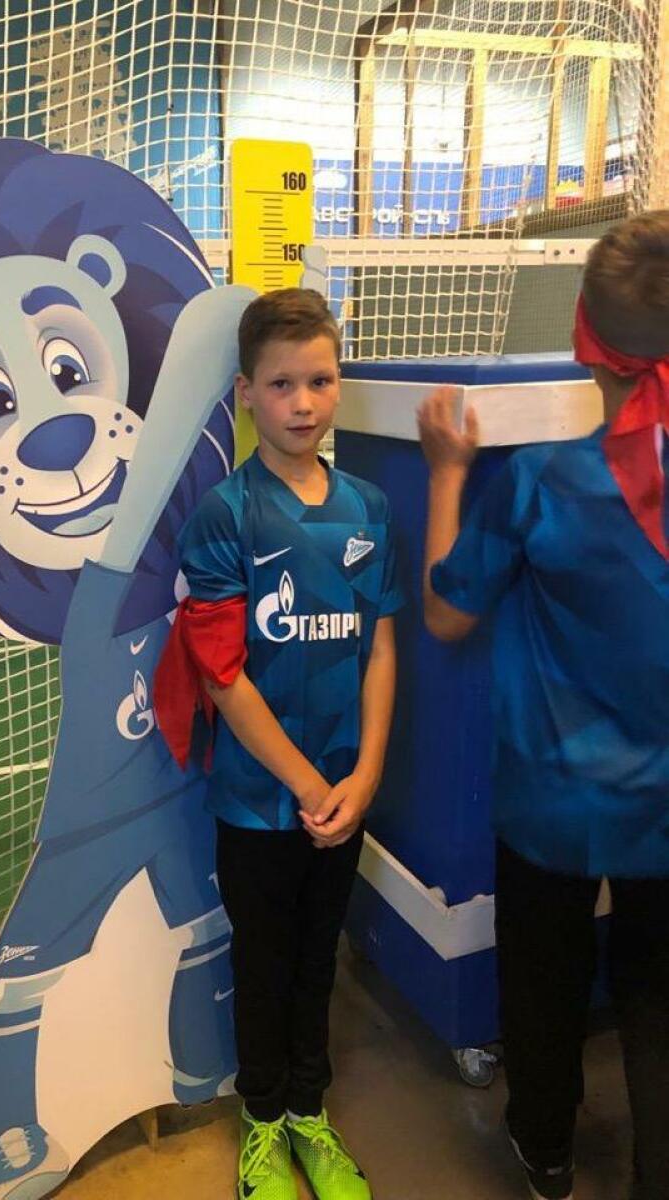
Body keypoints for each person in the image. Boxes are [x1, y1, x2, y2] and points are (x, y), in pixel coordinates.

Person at [417, 211, 669, 1200]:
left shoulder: (540, 479)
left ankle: (547, 1150)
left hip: (551, 802)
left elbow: (446, 612)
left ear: (582, 337)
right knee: (658, 1000)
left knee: (544, 975)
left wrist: (446, 473)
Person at [155, 287, 402, 1200]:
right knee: (263, 967)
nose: (304, 403)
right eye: (283, 384)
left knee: (317, 959)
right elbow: (224, 676)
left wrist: (366, 774)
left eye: (321, 381)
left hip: (344, 798)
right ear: (247, 394)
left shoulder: (369, 508)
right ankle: (262, 1123)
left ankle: (309, 1114)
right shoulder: (225, 516)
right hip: (262, 806)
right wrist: (306, 784)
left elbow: (381, 645)